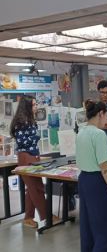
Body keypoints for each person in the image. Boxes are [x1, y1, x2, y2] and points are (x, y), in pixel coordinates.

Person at [76, 100, 107, 252]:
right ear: (100, 114)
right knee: (106, 228)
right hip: (97, 182)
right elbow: (104, 167)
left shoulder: (81, 132)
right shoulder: (99, 134)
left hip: (84, 179)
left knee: (87, 225)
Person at [10, 95, 59, 228]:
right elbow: (22, 142)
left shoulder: (30, 120)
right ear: (27, 106)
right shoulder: (21, 122)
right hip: (26, 157)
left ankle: (28, 217)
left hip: (33, 155)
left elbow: (30, 141)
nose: (36, 106)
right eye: (34, 104)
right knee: (37, 188)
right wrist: (36, 137)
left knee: (31, 189)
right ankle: (46, 216)